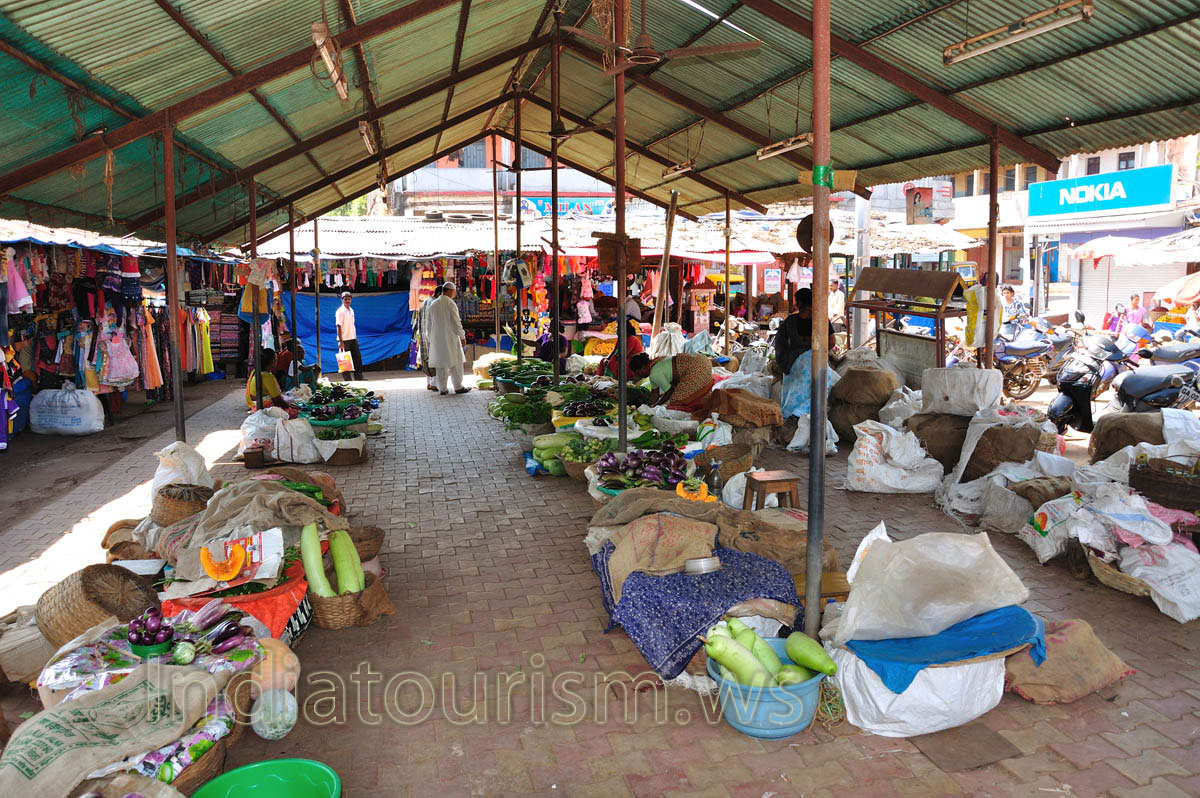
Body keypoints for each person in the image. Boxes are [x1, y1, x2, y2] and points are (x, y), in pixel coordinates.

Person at [776, 287, 835, 418]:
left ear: (799, 303)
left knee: (792, 392)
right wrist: (815, 346)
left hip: (793, 363)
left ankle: (790, 417)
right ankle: (805, 417)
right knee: (818, 390)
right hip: (814, 362)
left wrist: (784, 362)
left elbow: (780, 345)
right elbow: (831, 342)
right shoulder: (821, 320)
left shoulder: (790, 321)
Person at [425, 281, 471, 395]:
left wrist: (431, 339)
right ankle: (458, 387)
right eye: (454, 291)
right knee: (456, 362)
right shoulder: (450, 304)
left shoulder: (433, 304)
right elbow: (456, 322)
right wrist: (462, 336)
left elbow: (428, 325)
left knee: (441, 364)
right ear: (450, 291)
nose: (454, 294)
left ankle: (443, 389)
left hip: (437, 340)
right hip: (451, 338)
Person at [416, 284, 443, 391]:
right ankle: (434, 384)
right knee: (434, 358)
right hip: (432, 335)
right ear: (439, 294)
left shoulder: (425, 302)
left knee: (427, 358)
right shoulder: (434, 303)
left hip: (424, 335)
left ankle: (429, 382)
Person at [335, 291, 363, 381]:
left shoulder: (351, 310)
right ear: (342, 300)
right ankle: (348, 380)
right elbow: (338, 326)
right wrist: (340, 341)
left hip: (353, 338)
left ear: (351, 300)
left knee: (357, 359)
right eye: (345, 299)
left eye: (349, 299)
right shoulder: (340, 311)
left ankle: (358, 378)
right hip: (344, 339)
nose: (347, 300)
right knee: (344, 361)